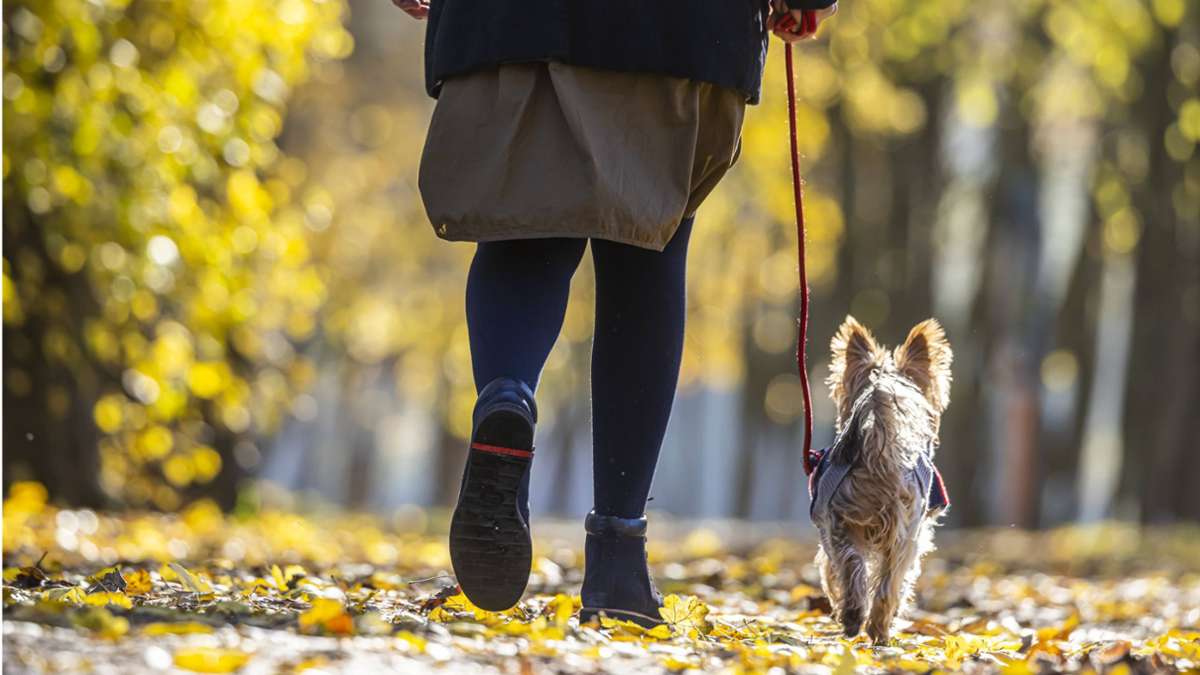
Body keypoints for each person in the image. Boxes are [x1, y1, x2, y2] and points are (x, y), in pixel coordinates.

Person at [391, 0, 838, 626]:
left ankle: (507, 395)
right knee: (648, 246)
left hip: (511, 22)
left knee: (523, 227)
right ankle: (617, 564)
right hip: (676, 27)